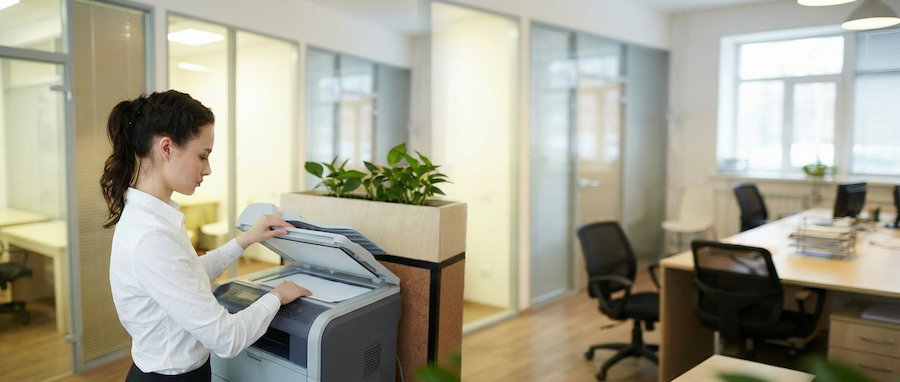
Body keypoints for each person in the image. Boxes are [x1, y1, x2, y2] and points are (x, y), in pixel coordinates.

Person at [99, 90, 311, 382]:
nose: (207, 169)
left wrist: (246, 239)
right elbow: (226, 339)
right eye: (203, 156)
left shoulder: (150, 218)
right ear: (166, 148)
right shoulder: (152, 235)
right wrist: (276, 296)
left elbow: (188, 274)